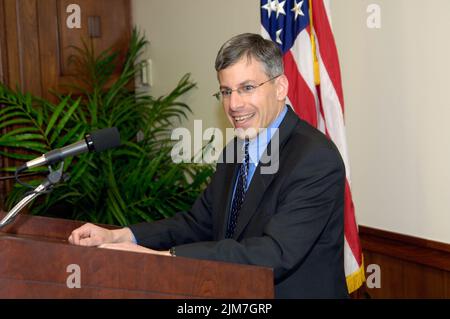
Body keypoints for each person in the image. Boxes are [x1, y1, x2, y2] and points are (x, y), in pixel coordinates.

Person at [68, 33, 349, 298]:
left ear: (280, 87)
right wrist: (120, 236)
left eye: (247, 88)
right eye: (226, 91)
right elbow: (198, 223)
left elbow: (274, 253)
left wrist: (167, 259)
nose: (234, 104)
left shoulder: (313, 158)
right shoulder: (236, 150)